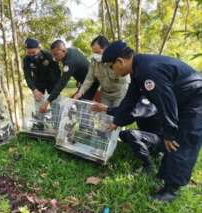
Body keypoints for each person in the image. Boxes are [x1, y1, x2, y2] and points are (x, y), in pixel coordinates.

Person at [98, 40, 202, 202]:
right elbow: (130, 99)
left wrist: (169, 132)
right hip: (184, 99)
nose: (112, 71)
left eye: (111, 66)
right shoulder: (138, 69)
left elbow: (165, 102)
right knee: (174, 138)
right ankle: (165, 176)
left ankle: (171, 190)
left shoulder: (148, 71)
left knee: (182, 140)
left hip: (196, 99)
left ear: (120, 61)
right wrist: (117, 121)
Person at [39, 40, 99, 113]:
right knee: (73, 103)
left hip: (91, 83)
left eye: (56, 54)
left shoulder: (69, 62)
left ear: (63, 50)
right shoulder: (70, 51)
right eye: (53, 55)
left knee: (82, 108)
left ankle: (83, 123)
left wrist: (47, 101)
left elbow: (62, 83)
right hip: (84, 82)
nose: (54, 58)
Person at [74, 35, 129, 107]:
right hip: (105, 94)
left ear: (107, 49)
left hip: (119, 93)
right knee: (104, 116)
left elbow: (125, 78)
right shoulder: (94, 62)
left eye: (97, 52)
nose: (95, 55)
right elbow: (89, 79)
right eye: (94, 52)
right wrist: (79, 93)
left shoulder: (116, 61)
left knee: (116, 115)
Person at [22, 38, 61, 129]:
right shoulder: (26, 59)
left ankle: (57, 127)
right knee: (38, 103)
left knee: (55, 103)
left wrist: (55, 91)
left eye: (33, 52)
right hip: (38, 83)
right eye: (29, 53)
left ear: (39, 49)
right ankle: (39, 126)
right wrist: (34, 90)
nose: (31, 55)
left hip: (52, 82)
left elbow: (57, 72)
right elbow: (27, 76)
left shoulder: (48, 55)